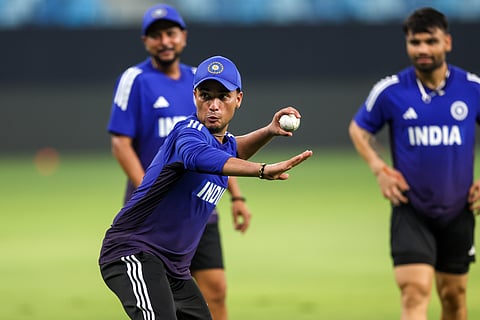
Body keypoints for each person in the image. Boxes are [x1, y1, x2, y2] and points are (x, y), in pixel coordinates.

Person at [99, 54, 313, 319]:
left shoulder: (221, 142)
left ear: (238, 99)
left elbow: (235, 148)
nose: (213, 105)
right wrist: (262, 170)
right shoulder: (186, 133)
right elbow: (201, 157)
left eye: (223, 96)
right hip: (133, 253)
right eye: (205, 95)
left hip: (174, 269)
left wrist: (269, 131)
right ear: (194, 96)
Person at [106, 4, 251, 319]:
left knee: (215, 291)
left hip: (199, 206)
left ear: (183, 37)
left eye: (171, 33)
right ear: (146, 41)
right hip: (156, 211)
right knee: (159, 299)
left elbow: (220, 147)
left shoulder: (199, 82)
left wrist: (237, 196)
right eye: (156, 35)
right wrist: (151, 188)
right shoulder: (136, 79)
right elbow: (120, 143)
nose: (165, 41)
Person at [349, 7, 478, 320]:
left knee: (454, 298)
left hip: (458, 209)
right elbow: (359, 129)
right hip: (410, 209)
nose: (422, 49)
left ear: (446, 42)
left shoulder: (472, 88)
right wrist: (380, 170)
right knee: (414, 291)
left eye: (430, 41)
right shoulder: (391, 90)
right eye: (415, 42)